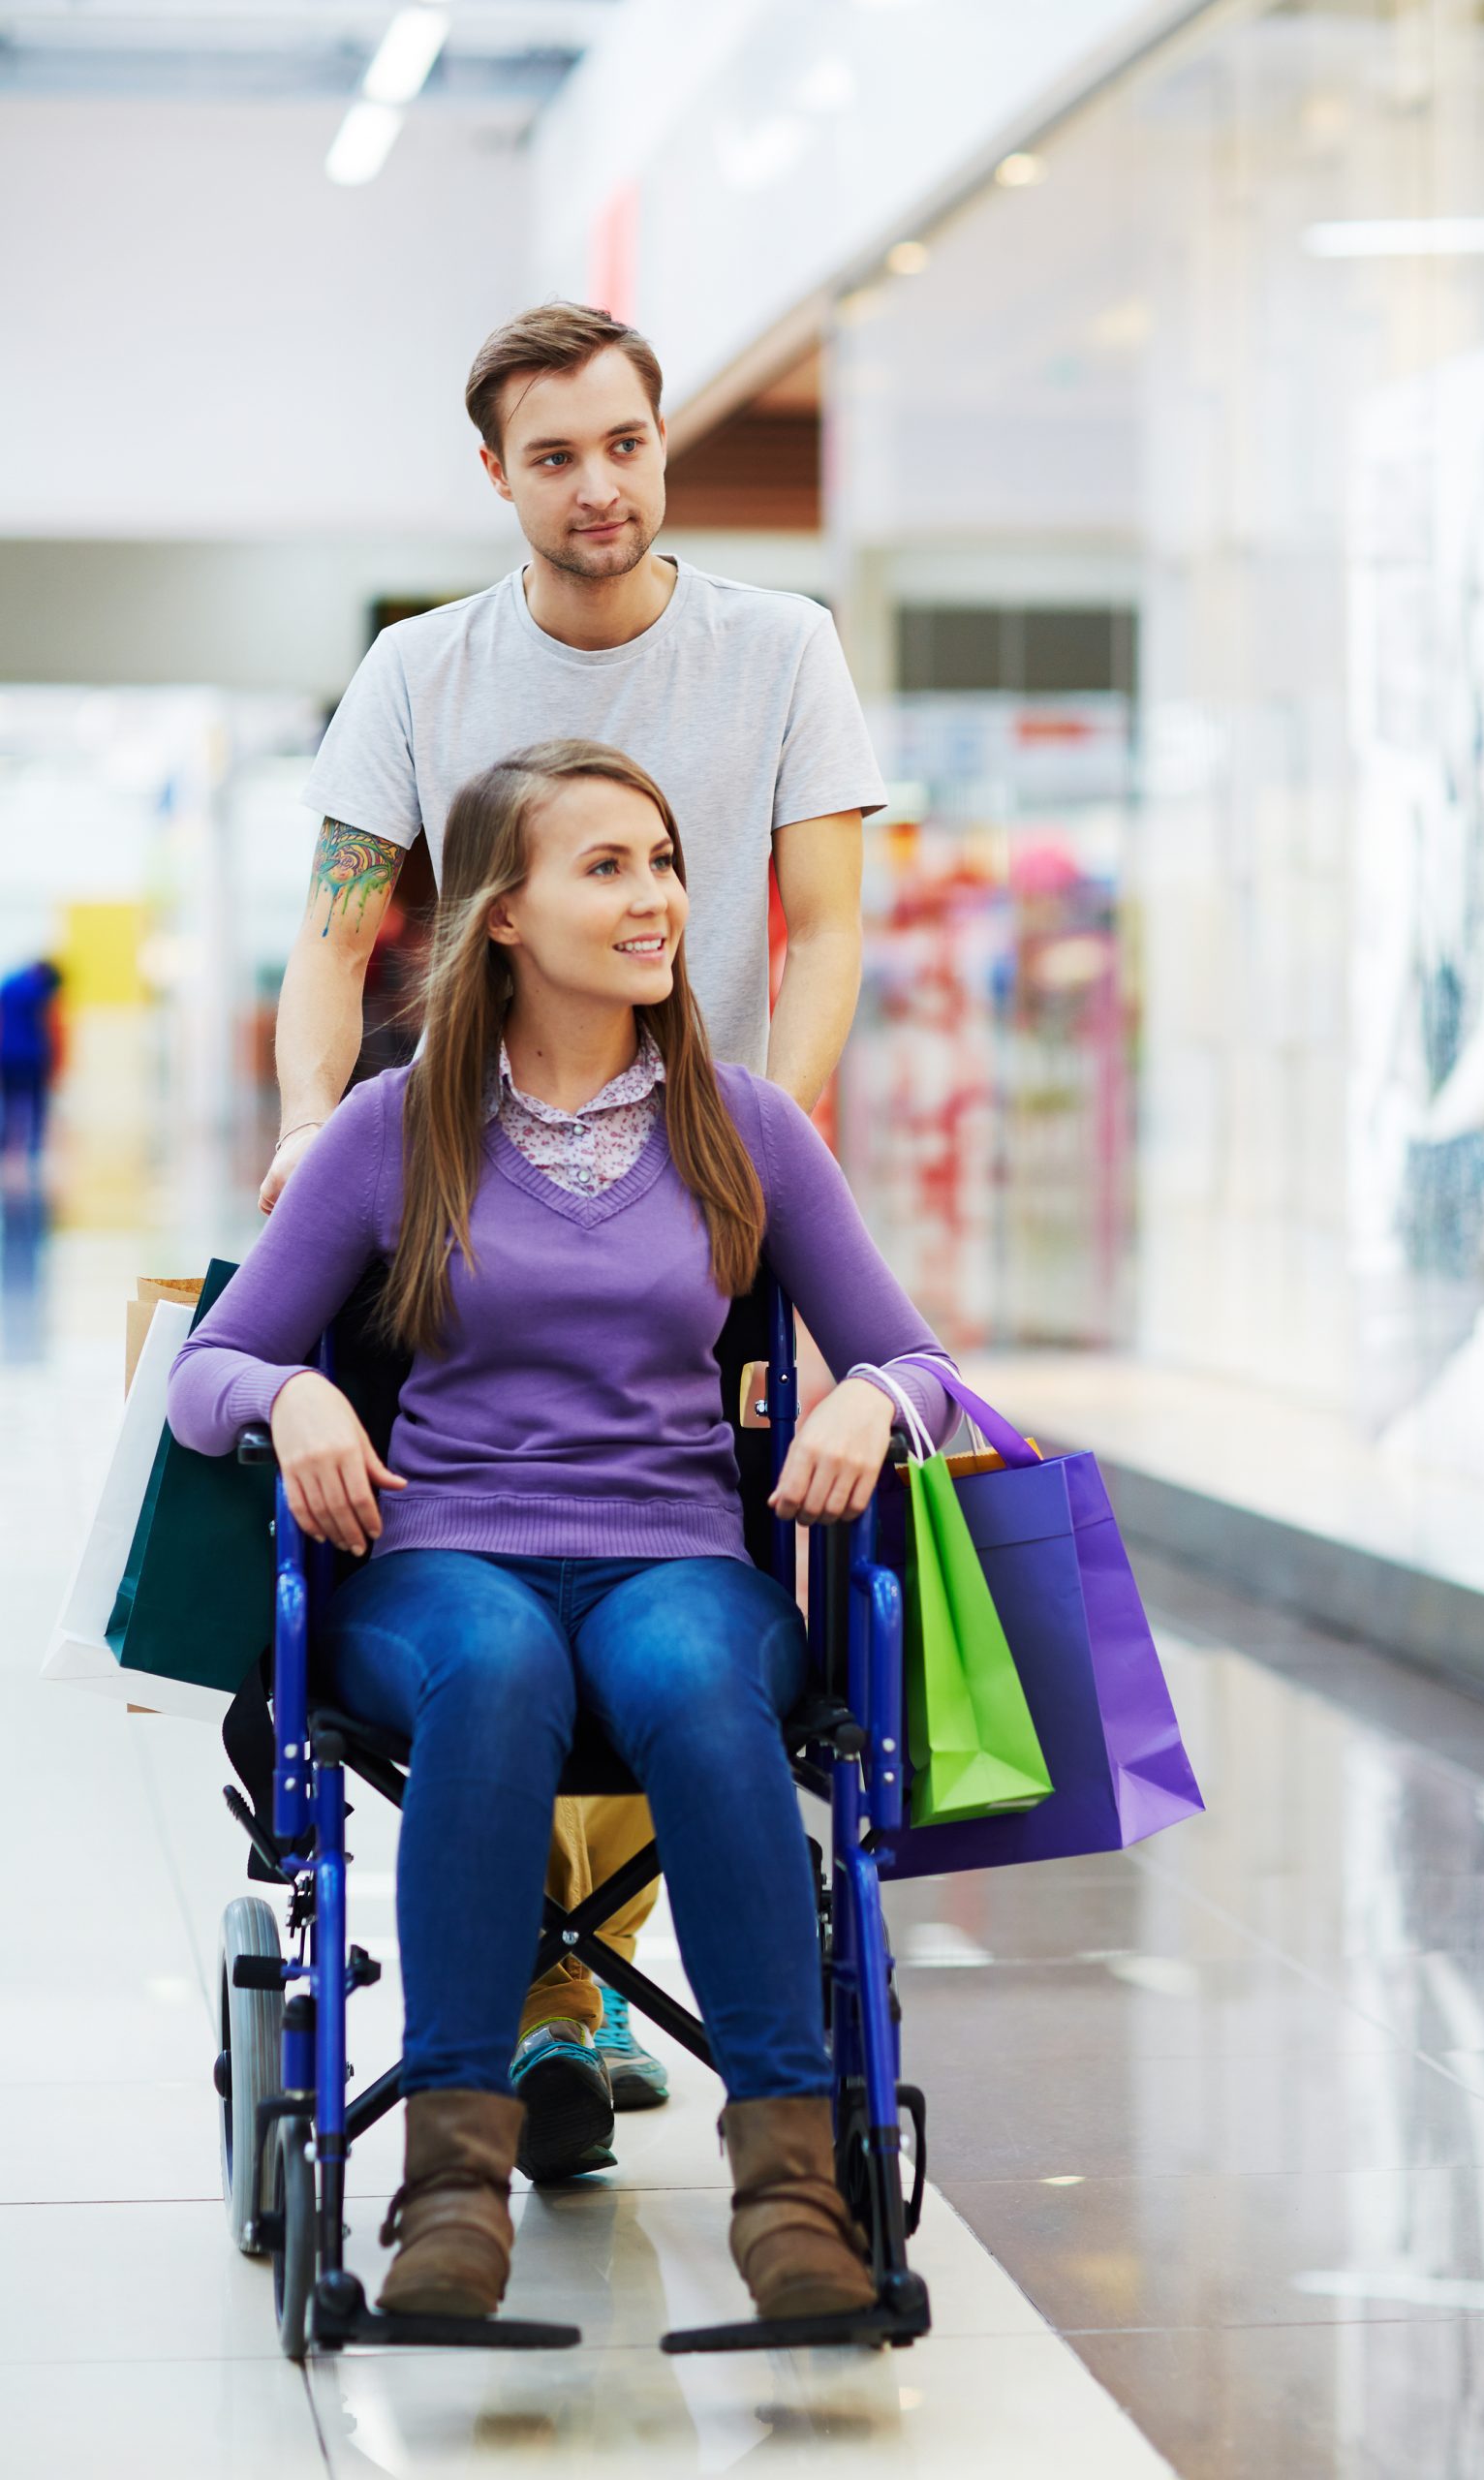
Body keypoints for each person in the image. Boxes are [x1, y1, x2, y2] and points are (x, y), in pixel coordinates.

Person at [169, 741, 954, 2325]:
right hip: (443, 1557)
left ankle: (791, 2195)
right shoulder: (399, 1130)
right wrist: (294, 1404)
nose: (655, 897)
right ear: (503, 915)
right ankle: (454, 2188)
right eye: (606, 867)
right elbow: (205, 1375)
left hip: (675, 1554)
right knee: (493, 1662)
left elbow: (923, 1363)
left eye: (663, 862)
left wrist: (874, 1405)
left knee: (698, 1676)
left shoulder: (741, 1127)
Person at [262, 300, 882, 2172]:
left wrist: (764, 1161)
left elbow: (826, 928)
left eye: (625, 443)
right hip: (457, 1157)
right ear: (498, 478)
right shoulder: (420, 674)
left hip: (695, 1164)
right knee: (495, 1566)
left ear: (658, 440)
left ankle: (581, 1972)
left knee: (670, 1568)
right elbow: (337, 932)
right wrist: (309, 1128)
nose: (598, 486)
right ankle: (545, 1986)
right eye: (555, 457)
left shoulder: (778, 649)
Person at [0, 959, 64, 1165]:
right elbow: (50, 1027)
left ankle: (8, 1142)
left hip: (7, 1054)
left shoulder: (8, 986)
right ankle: (35, 1144)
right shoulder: (39, 992)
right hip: (31, 1055)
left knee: (9, 1100)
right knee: (37, 1101)